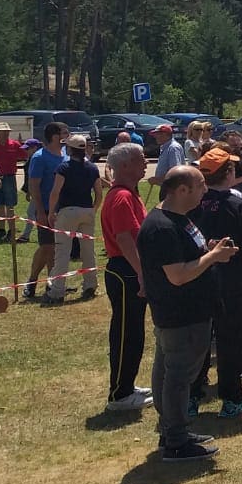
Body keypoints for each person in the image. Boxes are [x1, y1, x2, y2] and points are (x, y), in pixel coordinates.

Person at [140, 166, 239, 463]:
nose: (206, 191)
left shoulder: (179, 220)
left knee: (172, 372)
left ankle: (172, 430)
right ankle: (176, 441)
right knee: (178, 376)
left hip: (190, 312)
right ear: (181, 190)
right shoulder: (162, 227)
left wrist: (208, 249)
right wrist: (213, 257)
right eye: (200, 186)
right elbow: (178, 275)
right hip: (180, 314)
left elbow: (187, 258)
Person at [187, 146, 242, 418]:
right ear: (229, 172)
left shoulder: (191, 201)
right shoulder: (238, 203)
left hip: (196, 278)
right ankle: (231, 399)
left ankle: (191, 395)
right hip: (231, 283)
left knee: (198, 338)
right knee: (230, 339)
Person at [98, 143, 151, 411]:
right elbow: (124, 238)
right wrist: (142, 273)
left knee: (134, 331)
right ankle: (119, 394)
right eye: (141, 159)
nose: (145, 163)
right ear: (126, 165)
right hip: (125, 270)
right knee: (125, 332)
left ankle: (127, 385)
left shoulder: (130, 194)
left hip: (130, 269)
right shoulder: (121, 197)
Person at [46, 133, 103, 303]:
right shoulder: (93, 168)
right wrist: (93, 209)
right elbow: (99, 193)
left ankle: (57, 291)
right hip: (87, 210)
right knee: (88, 250)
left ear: (70, 149)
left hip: (67, 211)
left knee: (63, 251)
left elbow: (55, 192)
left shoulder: (64, 168)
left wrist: (51, 212)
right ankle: (90, 285)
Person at [23, 122, 67, 300]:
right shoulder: (40, 157)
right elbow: (34, 186)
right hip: (45, 208)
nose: (68, 134)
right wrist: (40, 211)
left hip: (62, 209)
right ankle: (31, 282)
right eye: (65, 132)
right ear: (55, 136)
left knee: (58, 248)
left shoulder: (64, 154)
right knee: (47, 247)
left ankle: (53, 283)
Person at [0, 121, 23, 243]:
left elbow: (24, 155)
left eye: (7, 132)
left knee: (10, 205)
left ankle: (11, 230)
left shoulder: (15, 145)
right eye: (3, 132)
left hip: (9, 177)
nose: (6, 134)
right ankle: (2, 229)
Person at [150, 124, 184, 191]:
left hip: (172, 189)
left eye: (157, 134)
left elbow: (175, 171)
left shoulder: (173, 148)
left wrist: (158, 179)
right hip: (167, 187)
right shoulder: (166, 147)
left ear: (165, 134)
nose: (155, 137)